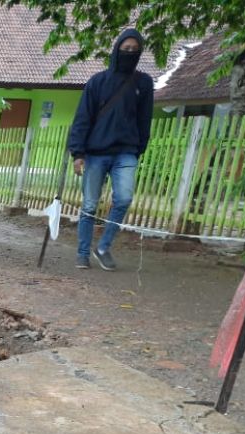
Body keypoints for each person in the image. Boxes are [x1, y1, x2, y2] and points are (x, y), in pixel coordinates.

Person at [68, 29, 155, 271]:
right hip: (96, 153)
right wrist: (78, 153)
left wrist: (138, 148)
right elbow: (82, 118)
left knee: (125, 197)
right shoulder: (98, 82)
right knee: (89, 205)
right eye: (125, 49)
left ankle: (104, 247)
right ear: (117, 50)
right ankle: (83, 253)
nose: (129, 53)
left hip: (126, 152)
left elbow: (144, 119)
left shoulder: (144, 83)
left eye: (134, 50)